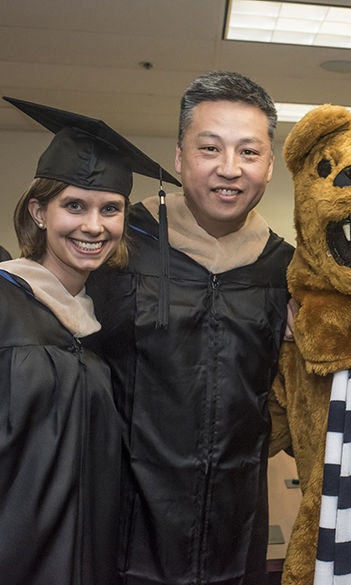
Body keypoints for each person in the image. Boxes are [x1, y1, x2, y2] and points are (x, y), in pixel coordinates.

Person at [85, 71, 294, 585]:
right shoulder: (118, 247)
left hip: (236, 526)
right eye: (209, 148)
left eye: (249, 152)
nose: (229, 169)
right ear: (179, 159)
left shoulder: (287, 270)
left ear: (269, 166)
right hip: (122, 525)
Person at [0, 97, 178, 585]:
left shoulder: (94, 325)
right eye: (73, 206)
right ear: (38, 211)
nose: (93, 226)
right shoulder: (4, 304)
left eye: (110, 209)